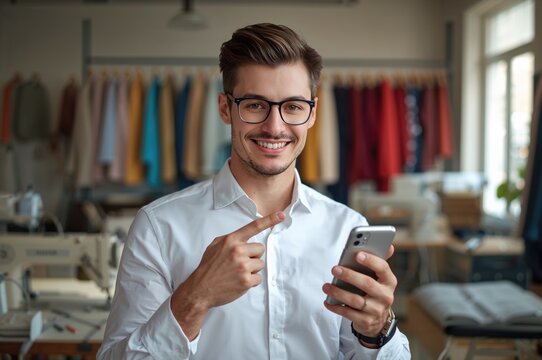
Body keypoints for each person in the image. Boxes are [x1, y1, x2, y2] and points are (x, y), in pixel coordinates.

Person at [97, 23, 410, 359]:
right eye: (255, 105)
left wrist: (377, 330)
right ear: (224, 108)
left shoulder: (346, 228)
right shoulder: (158, 227)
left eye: (292, 106)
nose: (275, 126)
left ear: (313, 113)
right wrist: (194, 299)